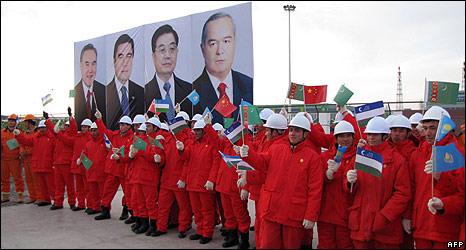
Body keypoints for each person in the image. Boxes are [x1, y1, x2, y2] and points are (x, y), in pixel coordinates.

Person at [237, 115, 323, 249]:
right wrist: (248, 154)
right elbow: (261, 162)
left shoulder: (313, 158)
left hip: (293, 214)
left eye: (297, 131)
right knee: (267, 245)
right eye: (292, 130)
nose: (293, 133)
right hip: (272, 209)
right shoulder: (277, 149)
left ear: (306, 134)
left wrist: (311, 215)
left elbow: (315, 189)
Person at [345, 116, 411, 248]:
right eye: (369, 134)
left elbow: (403, 193)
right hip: (361, 224)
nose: (371, 137)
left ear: (385, 136)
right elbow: (348, 190)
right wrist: (349, 182)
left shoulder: (397, 160)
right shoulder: (360, 157)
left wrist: (384, 216)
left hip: (385, 227)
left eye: (375, 134)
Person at [408, 106, 464, 248]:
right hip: (421, 228)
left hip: (447, 232)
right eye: (425, 128)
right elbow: (411, 190)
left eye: (433, 128)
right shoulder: (417, 154)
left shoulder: (459, 153)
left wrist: (444, 202)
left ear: (445, 127)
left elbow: (461, 194)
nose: (428, 133)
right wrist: (407, 216)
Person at [193, 12, 253, 125]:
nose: (220, 50)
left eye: (226, 41)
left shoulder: (249, 86)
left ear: (234, 43)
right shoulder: (192, 91)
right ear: (203, 49)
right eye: (213, 43)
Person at [176, 120, 220, 244]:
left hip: (204, 183)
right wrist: (181, 150)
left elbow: (216, 163)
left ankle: (207, 233)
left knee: (207, 210)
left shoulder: (211, 144)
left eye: (198, 130)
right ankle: (200, 230)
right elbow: (186, 159)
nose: (196, 132)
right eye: (195, 130)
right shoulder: (192, 144)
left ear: (204, 131)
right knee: (197, 210)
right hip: (192, 183)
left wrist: (211, 180)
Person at [317, 120, 357, 249]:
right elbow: (315, 183)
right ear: (335, 138)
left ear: (353, 137)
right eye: (341, 136)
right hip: (325, 214)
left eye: (348, 135)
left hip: (346, 214)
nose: (345, 139)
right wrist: (327, 175)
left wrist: (351, 182)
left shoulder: (358, 158)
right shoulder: (325, 157)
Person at [145, 24, 193, 122]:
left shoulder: (189, 90)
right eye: (162, 50)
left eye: (172, 49)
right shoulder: (144, 93)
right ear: (153, 56)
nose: (167, 55)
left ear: (177, 52)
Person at [93, 110, 134, 220]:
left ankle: (128, 211)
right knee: (107, 191)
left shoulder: (132, 138)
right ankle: (105, 210)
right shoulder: (115, 135)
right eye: (120, 124)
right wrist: (99, 120)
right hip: (113, 168)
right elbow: (104, 131)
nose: (121, 126)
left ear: (129, 126)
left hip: (124, 168)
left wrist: (120, 154)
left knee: (128, 192)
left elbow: (131, 154)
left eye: (124, 125)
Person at [386, 115, 418, 249]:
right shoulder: (385, 150)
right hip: (388, 207)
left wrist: (407, 215)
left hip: (405, 207)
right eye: (394, 130)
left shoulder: (412, 153)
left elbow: (412, 186)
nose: (397, 134)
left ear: (408, 133)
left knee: (406, 244)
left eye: (401, 131)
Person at [14, 115, 55, 207]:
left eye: (43, 128)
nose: (42, 129)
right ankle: (45, 199)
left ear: (46, 128)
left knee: (51, 184)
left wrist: (48, 120)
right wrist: (18, 134)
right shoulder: (35, 137)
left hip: (47, 164)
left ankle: (56, 200)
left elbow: (55, 135)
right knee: (41, 184)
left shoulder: (51, 137)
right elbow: (26, 141)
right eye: (40, 128)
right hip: (38, 164)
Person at [106, 34, 144, 130]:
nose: (125, 62)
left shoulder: (141, 92)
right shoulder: (105, 93)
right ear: (114, 61)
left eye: (129, 56)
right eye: (120, 56)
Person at [74, 43, 106, 128]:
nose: (90, 70)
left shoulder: (104, 91)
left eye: (93, 63)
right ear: (81, 65)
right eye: (87, 64)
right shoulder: (75, 91)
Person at [1, 114, 24, 203]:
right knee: (4, 179)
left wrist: (21, 153)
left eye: (13, 121)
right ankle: (5, 196)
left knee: (17, 178)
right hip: (4, 159)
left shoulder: (19, 132)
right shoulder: (2, 132)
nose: (11, 122)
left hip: (15, 159)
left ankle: (20, 196)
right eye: (10, 120)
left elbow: (22, 144)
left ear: (16, 122)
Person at [19, 114, 40, 203]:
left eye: (26, 122)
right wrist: (21, 152)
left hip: (34, 159)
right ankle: (32, 197)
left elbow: (37, 146)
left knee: (36, 180)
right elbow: (22, 144)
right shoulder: (25, 133)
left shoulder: (37, 133)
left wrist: (27, 152)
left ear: (30, 122)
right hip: (26, 160)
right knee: (28, 179)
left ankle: (39, 197)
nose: (25, 124)